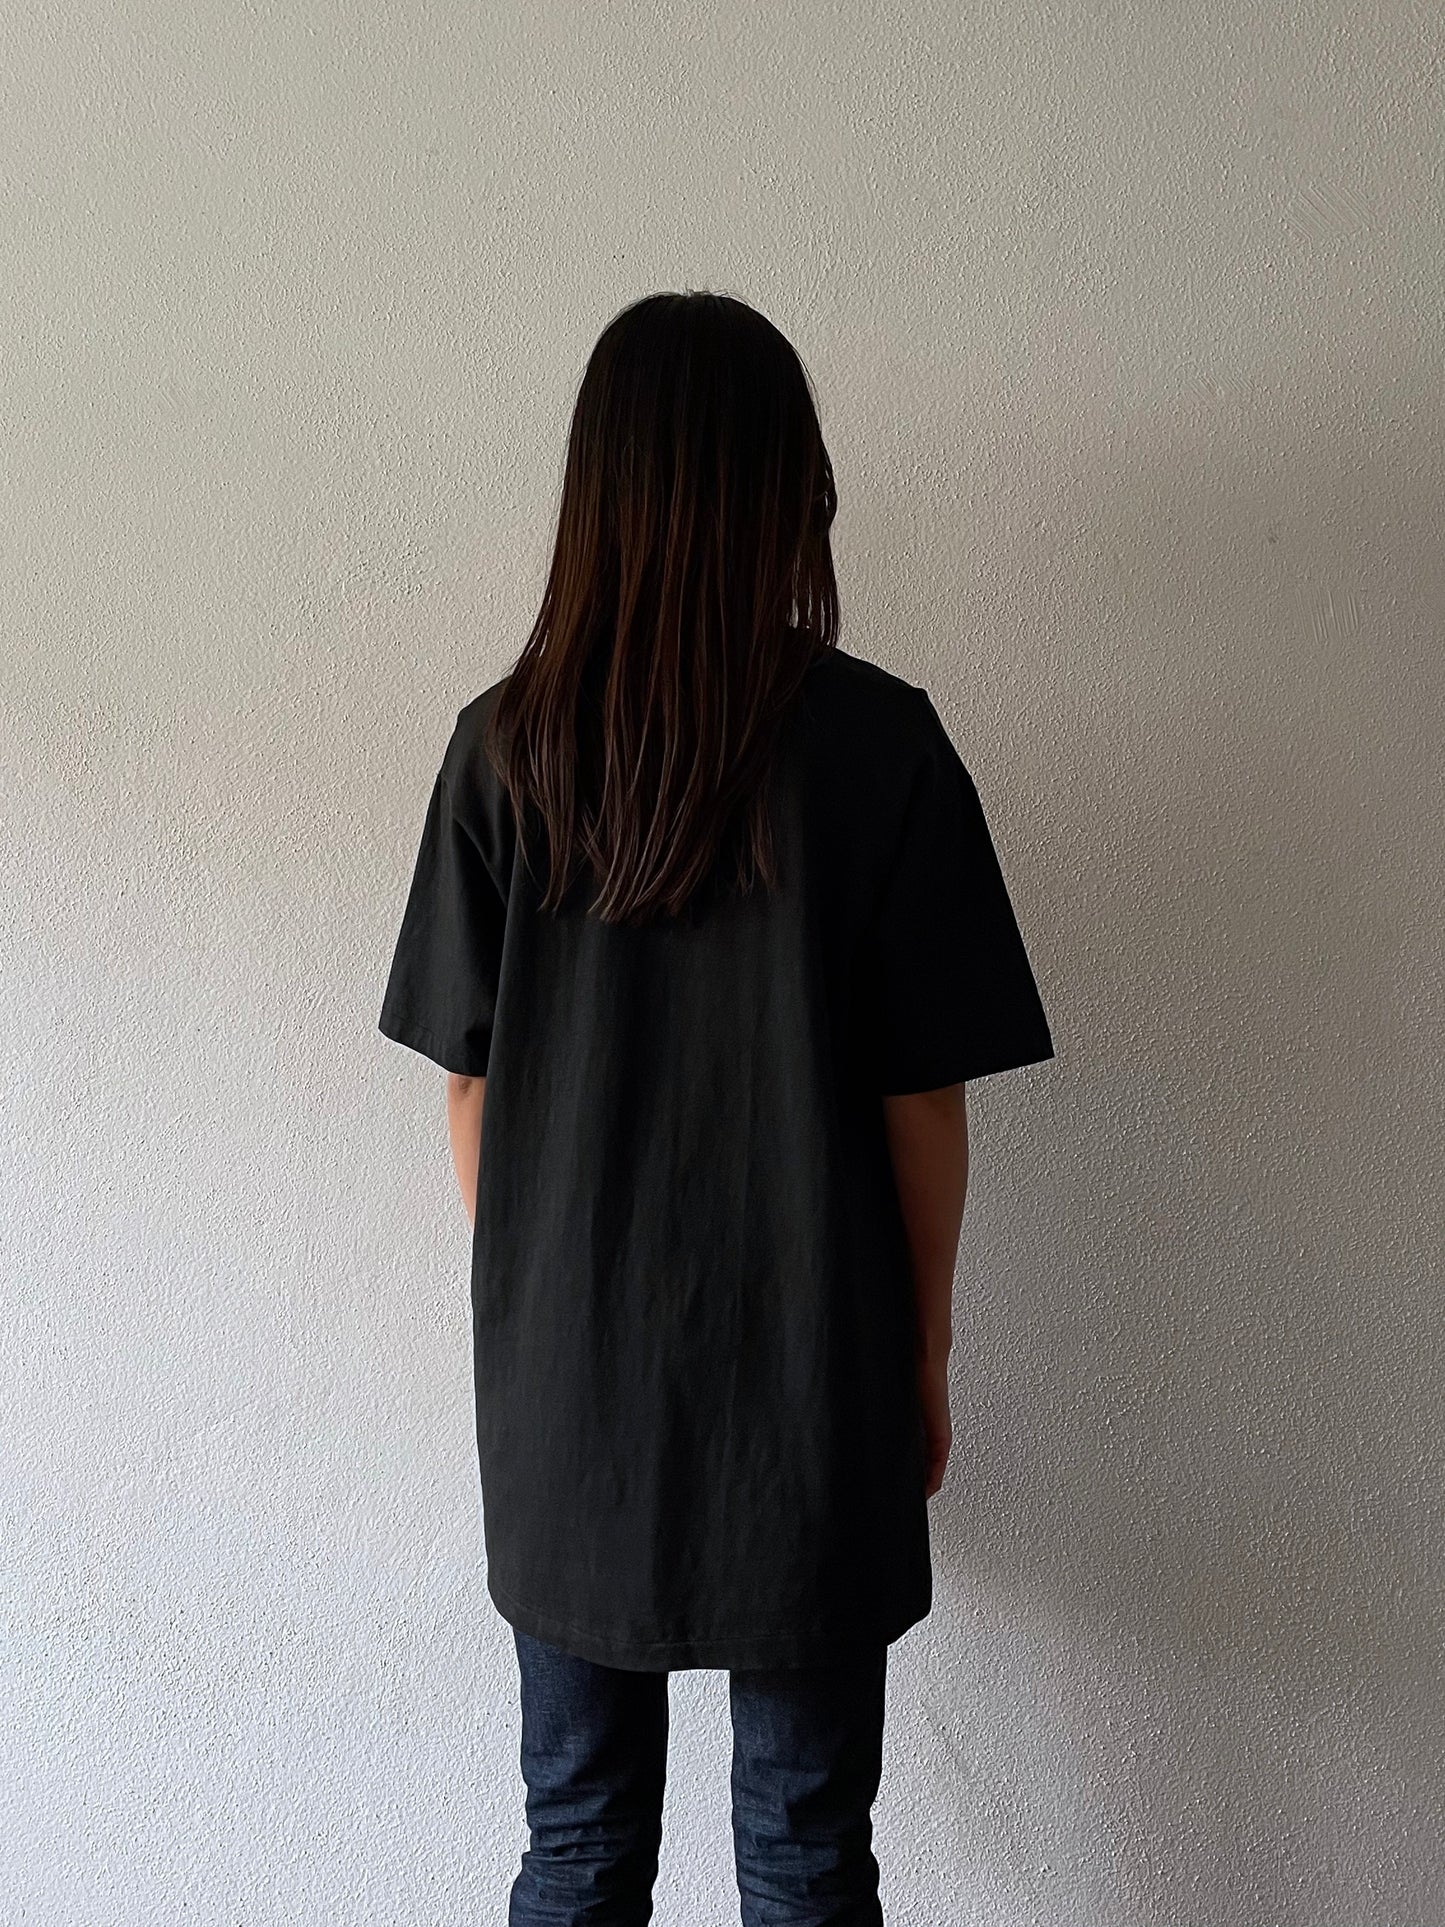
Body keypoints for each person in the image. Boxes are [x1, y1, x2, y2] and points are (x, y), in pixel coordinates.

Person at [377, 290, 1055, 1927]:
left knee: (577, 1838)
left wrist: (554, 1305)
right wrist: (921, 1348)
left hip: (569, 1393)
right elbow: (920, 1102)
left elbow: (470, 1081)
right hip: (811, 1374)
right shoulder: (880, 748)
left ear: (596, 492)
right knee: (808, 1846)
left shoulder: (502, 749)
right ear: (787, 487)